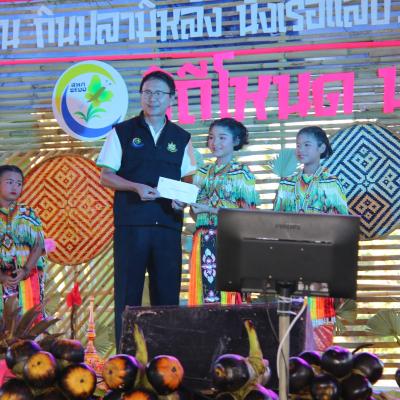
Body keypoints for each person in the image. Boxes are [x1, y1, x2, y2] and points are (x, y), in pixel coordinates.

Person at [97, 70, 197, 345]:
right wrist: (135, 187)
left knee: (166, 294)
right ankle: (126, 355)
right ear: (141, 96)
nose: (153, 98)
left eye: (159, 93)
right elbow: (106, 176)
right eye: (148, 92)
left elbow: (189, 177)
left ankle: (166, 356)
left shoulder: (182, 137)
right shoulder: (122, 132)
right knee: (127, 294)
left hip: (167, 225)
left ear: (171, 98)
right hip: (132, 225)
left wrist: (182, 198)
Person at [273, 126, 348, 350]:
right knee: (291, 317)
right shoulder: (287, 184)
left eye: (307, 144)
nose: (301, 149)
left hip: (320, 260)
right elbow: (274, 222)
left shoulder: (331, 183)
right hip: (290, 260)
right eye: (298, 145)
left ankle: (318, 364)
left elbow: (342, 225)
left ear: (321, 148)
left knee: (319, 315)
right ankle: (292, 366)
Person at [188, 118, 260, 305]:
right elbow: (194, 214)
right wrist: (186, 206)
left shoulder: (242, 173)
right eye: (211, 137)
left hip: (230, 241)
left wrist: (210, 209)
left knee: (229, 297)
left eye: (222, 137)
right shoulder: (201, 173)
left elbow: (248, 215)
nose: (215, 142)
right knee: (203, 295)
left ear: (236, 141)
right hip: (202, 239)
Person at [0, 165, 46, 316]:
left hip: (27, 278)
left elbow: (38, 245)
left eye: (19, 183)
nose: (15, 187)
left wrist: (26, 270)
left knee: (27, 321)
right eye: (9, 182)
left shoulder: (28, 213)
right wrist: (2, 276)